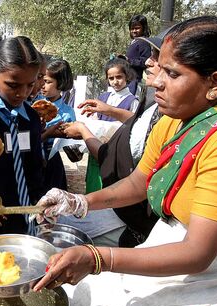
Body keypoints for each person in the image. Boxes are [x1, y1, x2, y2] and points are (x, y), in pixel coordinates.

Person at [33, 16, 217, 306]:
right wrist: (79, 202)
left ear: (215, 83)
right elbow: (140, 183)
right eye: (158, 68)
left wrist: (97, 258)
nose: (155, 82)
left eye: (172, 73)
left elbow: (197, 253)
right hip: (177, 246)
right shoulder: (174, 119)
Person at [59, 32, 165, 248]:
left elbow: (113, 159)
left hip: (131, 219)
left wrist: (84, 131)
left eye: (157, 56)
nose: (147, 61)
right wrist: (82, 201)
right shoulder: (155, 108)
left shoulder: (171, 118)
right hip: (121, 205)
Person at [0, 36, 45, 238]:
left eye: (30, 85)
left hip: (25, 216)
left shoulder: (32, 119)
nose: (22, 93)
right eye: (13, 85)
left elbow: (35, 168)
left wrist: (40, 204)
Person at [84, 57, 139, 193]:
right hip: (97, 149)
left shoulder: (132, 101)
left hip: (117, 152)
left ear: (127, 76)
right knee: (94, 186)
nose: (115, 82)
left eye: (119, 77)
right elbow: (94, 121)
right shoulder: (103, 98)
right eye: (111, 78)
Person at [41, 59, 76, 191]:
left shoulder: (67, 113)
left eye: (48, 82)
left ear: (61, 83)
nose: (42, 85)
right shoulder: (30, 104)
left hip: (52, 162)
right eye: (41, 80)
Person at [125, 14, 151, 95]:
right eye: (132, 29)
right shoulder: (135, 42)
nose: (134, 31)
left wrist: (129, 61)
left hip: (134, 81)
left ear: (143, 28)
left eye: (137, 28)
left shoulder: (143, 42)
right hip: (128, 79)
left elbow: (146, 62)